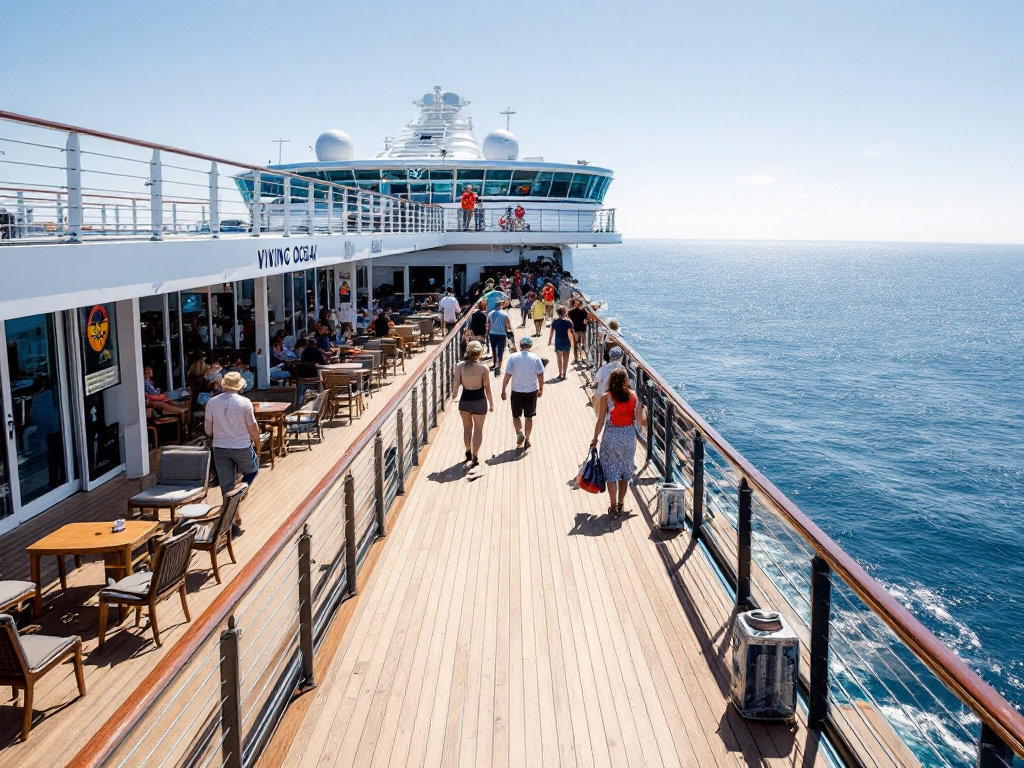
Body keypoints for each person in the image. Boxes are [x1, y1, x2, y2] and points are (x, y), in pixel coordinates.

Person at [204, 371, 260, 525]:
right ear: (239, 386)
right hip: (241, 446)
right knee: (253, 470)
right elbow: (253, 428)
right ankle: (239, 492)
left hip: (220, 447)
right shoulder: (245, 402)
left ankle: (232, 516)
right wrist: (256, 441)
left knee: (226, 484)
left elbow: (208, 431)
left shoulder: (212, 402)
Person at [591, 368, 645, 518]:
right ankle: (621, 503)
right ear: (626, 381)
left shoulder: (606, 397)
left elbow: (601, 420)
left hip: (611, 437)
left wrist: (595, 438)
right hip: (628, 436)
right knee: (624, 472)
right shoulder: (634, 396)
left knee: (611, 472)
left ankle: (613, 507)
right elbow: (640, 421)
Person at [501, 336, 545, 450]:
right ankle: (528, 439)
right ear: (530, 346)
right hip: (531, 391)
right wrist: (541, 389)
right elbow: (540, 376)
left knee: (516, 415)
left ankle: (519, 432)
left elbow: (508, 375)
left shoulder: (513, 357)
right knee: (529, 417)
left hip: (516, 391)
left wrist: (503, 389)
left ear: (520, 345)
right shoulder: (536, 358)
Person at [453, 340, 493, 466]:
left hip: (465, 401)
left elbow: (456, 383)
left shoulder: (460, 366)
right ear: (480, 352)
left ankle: (468, 450)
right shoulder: (484, 368)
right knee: (478, 430)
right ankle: (475, 455)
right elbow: (487, 388)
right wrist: (491, 404)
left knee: (467, 429)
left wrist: (454, 394)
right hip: (479, 401)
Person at [548, 306, 575, 380]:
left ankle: (560, 374)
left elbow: (551, 333)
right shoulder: (568, 322)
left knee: (559, 359)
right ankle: (564, 373)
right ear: (564, 312)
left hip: (558, 341)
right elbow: (571, 333)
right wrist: (573, 343)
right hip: (566, 341)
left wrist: (549, 341)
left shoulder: (555, 322)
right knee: (566, 359)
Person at [486, 301, 511, 376]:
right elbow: (508, 325)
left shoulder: (490, 313)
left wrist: (487, 333)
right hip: (502, 334)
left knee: (494, 349)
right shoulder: (505, 313)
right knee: (501, 350)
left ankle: (494, 363)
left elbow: (488, 324)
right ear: (501, 305)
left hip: (492, 333)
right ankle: (499, 366)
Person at [567, 299, 589, 364]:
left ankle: (577, 358)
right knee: (581, 344)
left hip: (576, 329)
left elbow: (568, 316)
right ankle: (583, 358)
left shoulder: (570, 312)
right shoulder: (584, 312)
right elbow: (586, 320)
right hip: (582, 329)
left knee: (576, 344)